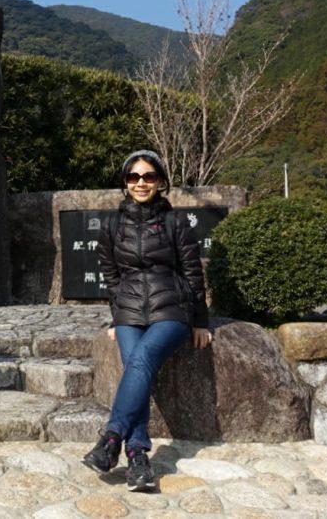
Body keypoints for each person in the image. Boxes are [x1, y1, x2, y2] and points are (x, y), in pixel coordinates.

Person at [83, 149, 212, 492]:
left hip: (171, 309)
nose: (141, 183)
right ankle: (138, 456)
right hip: (129, 310)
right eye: (133, 177)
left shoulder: (175, 222)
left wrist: (201, 321)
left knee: (141, 359)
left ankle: (111, 437)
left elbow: (192, 272)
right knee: (135, 366)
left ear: (160, 181)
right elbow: (111, 275)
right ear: (125, 183)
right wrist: (116, 317)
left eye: (148, 176)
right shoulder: (111, 225)